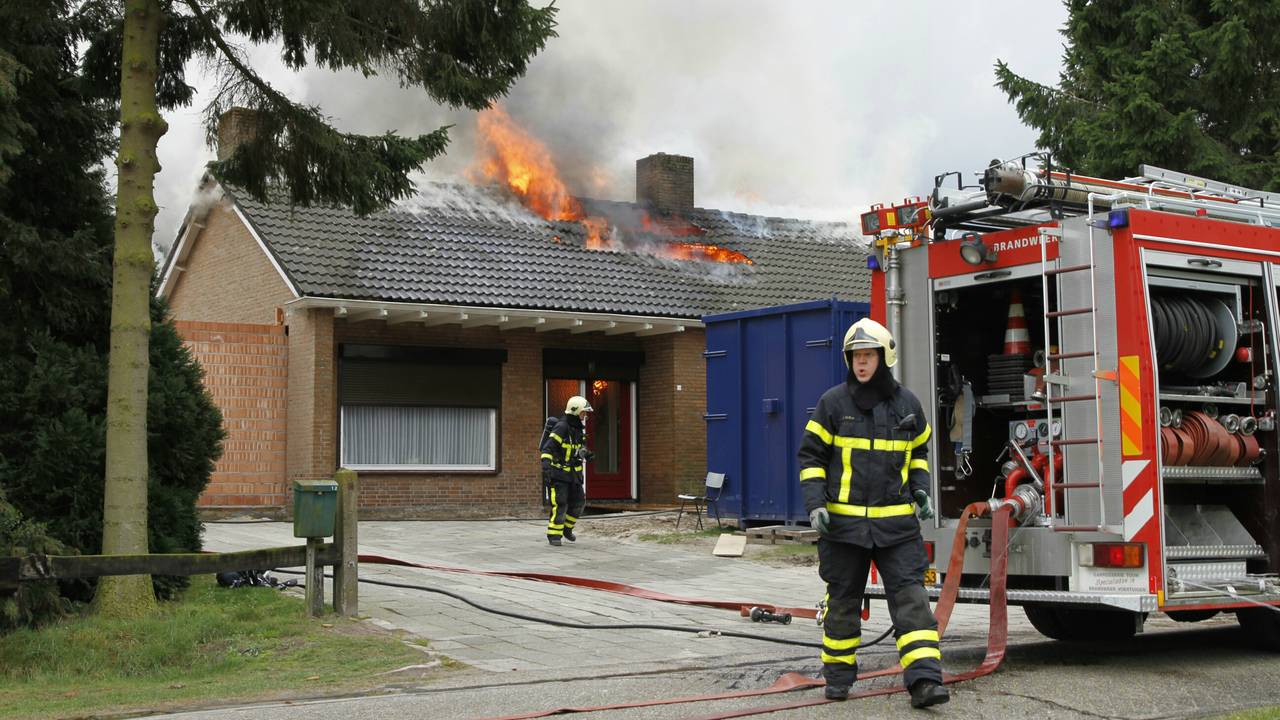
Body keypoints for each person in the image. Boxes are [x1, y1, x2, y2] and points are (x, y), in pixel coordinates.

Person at [797, 317, 949, 709]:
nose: (861, 364)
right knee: (843, 601)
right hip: (844, 528)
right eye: (855, 357)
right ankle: (838, 679)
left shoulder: (907, 404)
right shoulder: (833, 403)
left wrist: (921, 490)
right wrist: (815, 506)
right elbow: (812, 457)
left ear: (884, 358)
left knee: (912, 599)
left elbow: (919, 453)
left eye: (867, 356)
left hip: (896, 526)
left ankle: (925, 682)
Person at [541, 395, 593, 546]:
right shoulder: (562, 427)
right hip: (559, 474)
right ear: (576, 411)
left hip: (574, 474)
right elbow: (548, 447)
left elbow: (578, 448)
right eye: (584, 412)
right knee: (560, 503)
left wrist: (586, 453)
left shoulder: (578, 429)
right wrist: (546, 465)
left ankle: (566, 529)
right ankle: (554, 535)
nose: (585, 416)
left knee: (579, 503)